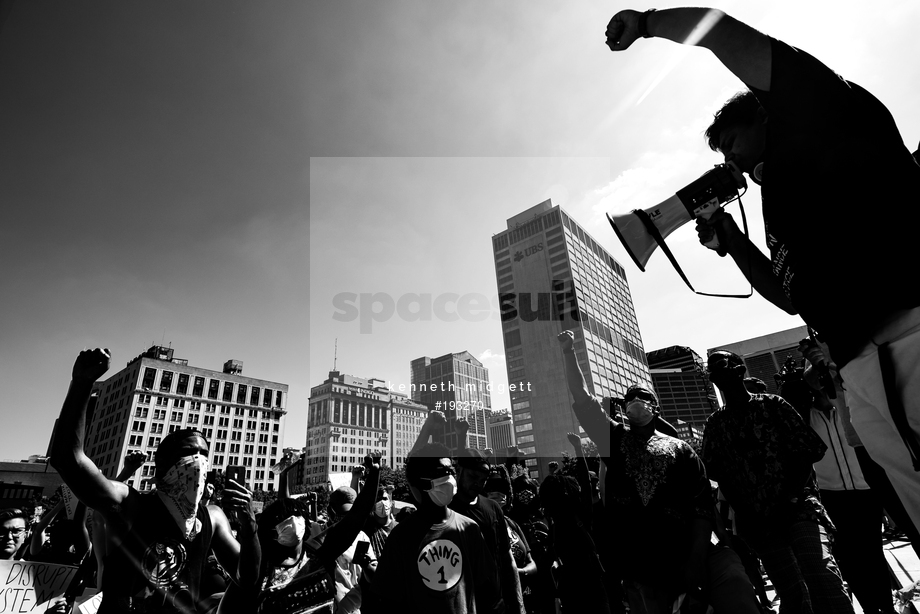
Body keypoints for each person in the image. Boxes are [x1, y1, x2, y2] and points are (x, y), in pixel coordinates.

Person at [606, 6, 920, 532]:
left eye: (731, 144)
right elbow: (793, 294)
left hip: (909, 326)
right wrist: (732, 240)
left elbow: (719, 30)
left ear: (766, 113)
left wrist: (647, 22)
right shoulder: (781, 196)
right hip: (861, 362)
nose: (730, 163)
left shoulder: (822, 108)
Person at [558, 331, 759, 613]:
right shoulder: (612, 439)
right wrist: (568, 351)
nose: (635, 401)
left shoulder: (681, 450)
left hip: (694, 550)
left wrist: (697, 560)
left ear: (657, 408)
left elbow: (701, 508)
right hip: (643, 566)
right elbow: (582, 395)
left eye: (643, 397)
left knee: (736, 587)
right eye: (630, 398)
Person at [50, 347, 260, 614]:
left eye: (203, 455)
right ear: (162, 469)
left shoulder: (213, 518)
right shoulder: (131, 505)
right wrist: (81, 383)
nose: (197, 462)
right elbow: (69, 461)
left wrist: (250, 525)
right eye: (187, 454)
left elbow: (248, 578)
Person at [702, 350, 853, 614]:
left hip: (798, 508)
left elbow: (806, 452)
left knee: (819, 570)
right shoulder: (715, 424)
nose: (716, 373)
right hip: (759, 521)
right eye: (711, 370)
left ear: (740, 370)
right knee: (791, 590)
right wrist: (746, 514)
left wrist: (790, 498)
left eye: (722, 365)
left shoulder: (773, 405)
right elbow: (719, 475)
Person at [779, 354, 896, 614]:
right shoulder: (803, 418)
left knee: (874, 555)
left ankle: (886, 609)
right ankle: (869, 607)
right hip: (831, 497)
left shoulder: (850, 408)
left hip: (866, 493)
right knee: (848, 559)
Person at [367, 442, 504, 613]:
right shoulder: (401, 537)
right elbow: (387, 601)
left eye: (450, 472)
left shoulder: (470, 529)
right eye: (440, 472)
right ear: (419, 483)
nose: (448, 478)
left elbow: (489, 592)